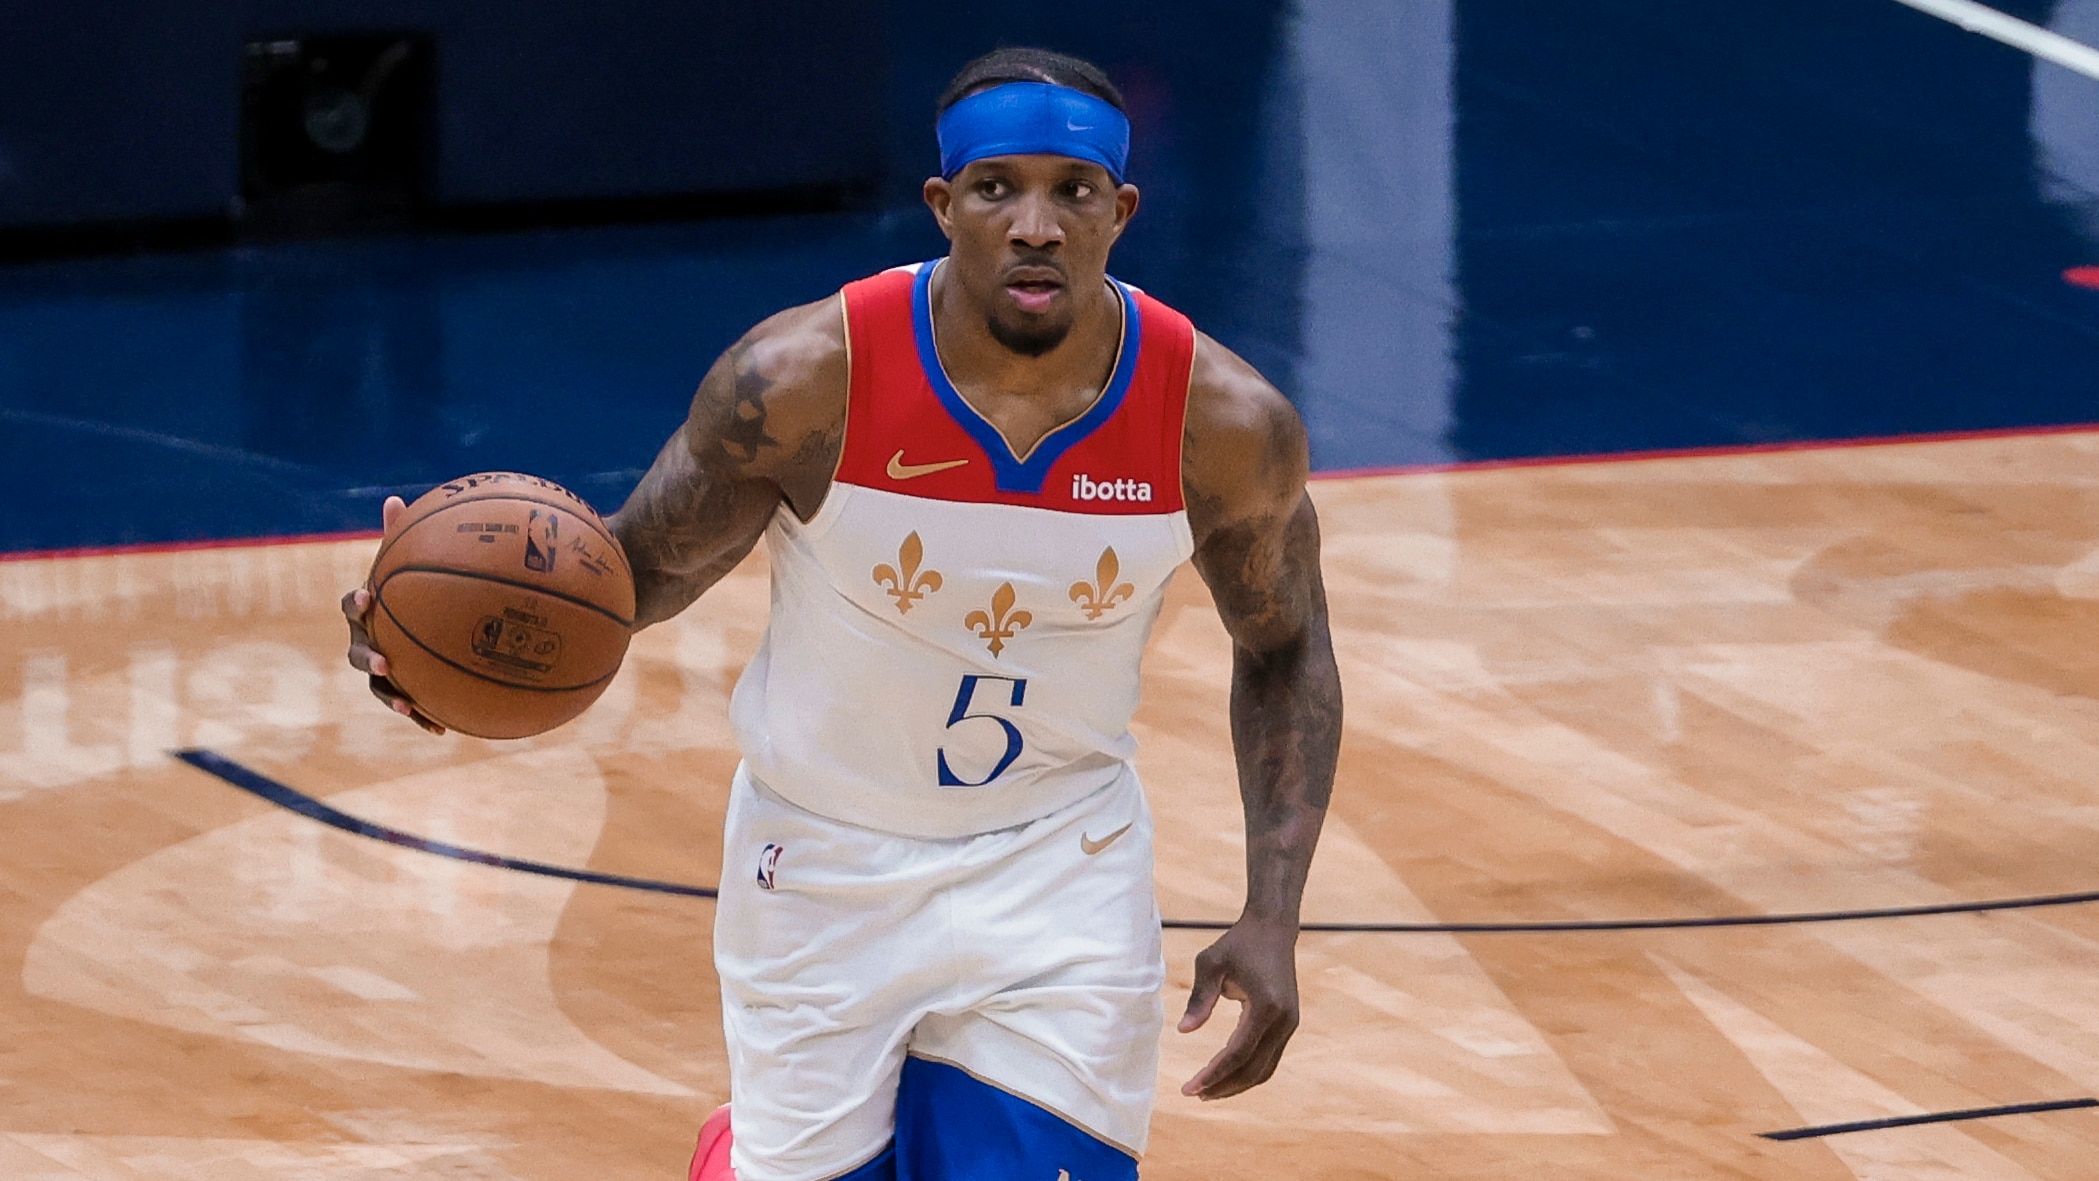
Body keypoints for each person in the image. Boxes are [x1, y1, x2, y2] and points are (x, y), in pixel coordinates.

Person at [344, 47, 1341, 1181]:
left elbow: (1286, 641)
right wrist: (438, 645)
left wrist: (1273, 910)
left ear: (1120, 212)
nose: (1033, 223)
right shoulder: (805, 380)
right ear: (941, 205)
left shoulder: (1219, 424)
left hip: (1058, 864)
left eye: (1070, 191)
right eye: (994, 187)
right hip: (818, 864)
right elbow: (632, 576)